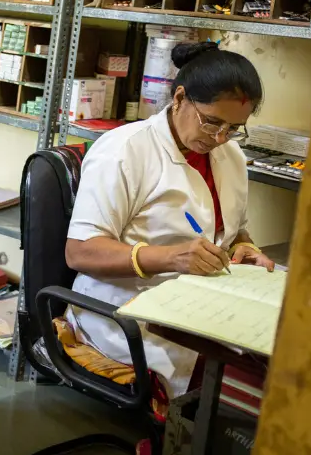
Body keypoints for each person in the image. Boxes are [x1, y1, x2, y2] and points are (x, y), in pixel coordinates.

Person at [64, 42, 276, 398]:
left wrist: (245, 247)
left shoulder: (230, 156)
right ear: (179, 99)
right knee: (232, 387)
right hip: (128, 312)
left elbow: (231, 228)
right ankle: (179, 447)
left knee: (269, 359)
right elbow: (80, 253)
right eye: (211, 122)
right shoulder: (124, 150)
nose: (220, 137)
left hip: (199, 302)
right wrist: (171, 257)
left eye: (234, 127)